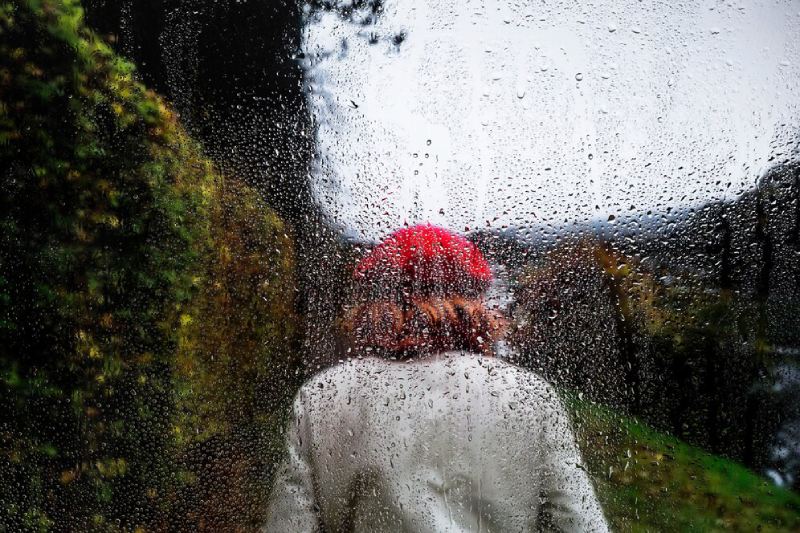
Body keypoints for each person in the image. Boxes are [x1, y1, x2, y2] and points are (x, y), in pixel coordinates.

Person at [264, 225, 608, 532]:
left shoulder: (323, 395)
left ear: (376, 298)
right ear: (475, 299)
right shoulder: (529, 395)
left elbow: (289, 524)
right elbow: (579, 520)